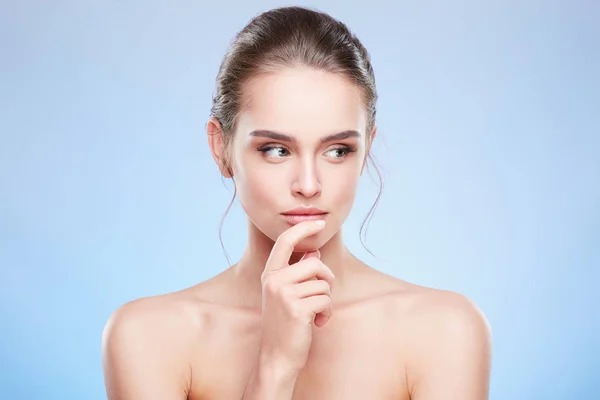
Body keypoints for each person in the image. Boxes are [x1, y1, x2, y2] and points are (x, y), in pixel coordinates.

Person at [101, 6, 492, 399]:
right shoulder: (147, 337)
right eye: (275, 150)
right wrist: (274, 367)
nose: (308, 184)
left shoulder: (444, 330)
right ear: (221, 147)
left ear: (366, 149)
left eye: (337, 150)